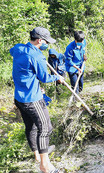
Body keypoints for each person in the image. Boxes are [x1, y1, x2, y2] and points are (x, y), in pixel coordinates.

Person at [10, 27, 64, 173]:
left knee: (31, 127)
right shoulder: (37, 55)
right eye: (46, 41)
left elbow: (13, 54)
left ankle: (38, 156)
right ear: (40, 40)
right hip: (32, 99)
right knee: (46, 128)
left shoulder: (18, 48)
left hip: (19, 98)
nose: (47, 44)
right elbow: (45, 78)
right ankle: (45, 166)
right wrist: (57, 77)